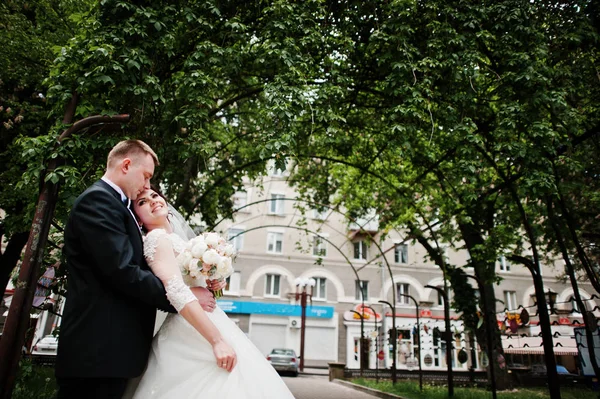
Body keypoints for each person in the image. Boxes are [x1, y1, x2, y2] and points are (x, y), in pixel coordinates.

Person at [55, 140, 219, 399]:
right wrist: (184, 297)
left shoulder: (120, 206)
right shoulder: (98, 201)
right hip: (98, 351)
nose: (148, 186)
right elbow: (124, 272)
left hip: (111, 352)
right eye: (146, 176)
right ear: (126, 164)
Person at [130, 188, 295, 399]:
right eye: (142, 202)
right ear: (139, 221)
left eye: (154, 196)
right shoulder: (156, 239)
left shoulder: (178, 239)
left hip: (211, 318)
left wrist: (213, 280)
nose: (152, 201)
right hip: (188, 327)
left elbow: (192, 281)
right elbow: (175, 289)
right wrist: (216, 340)